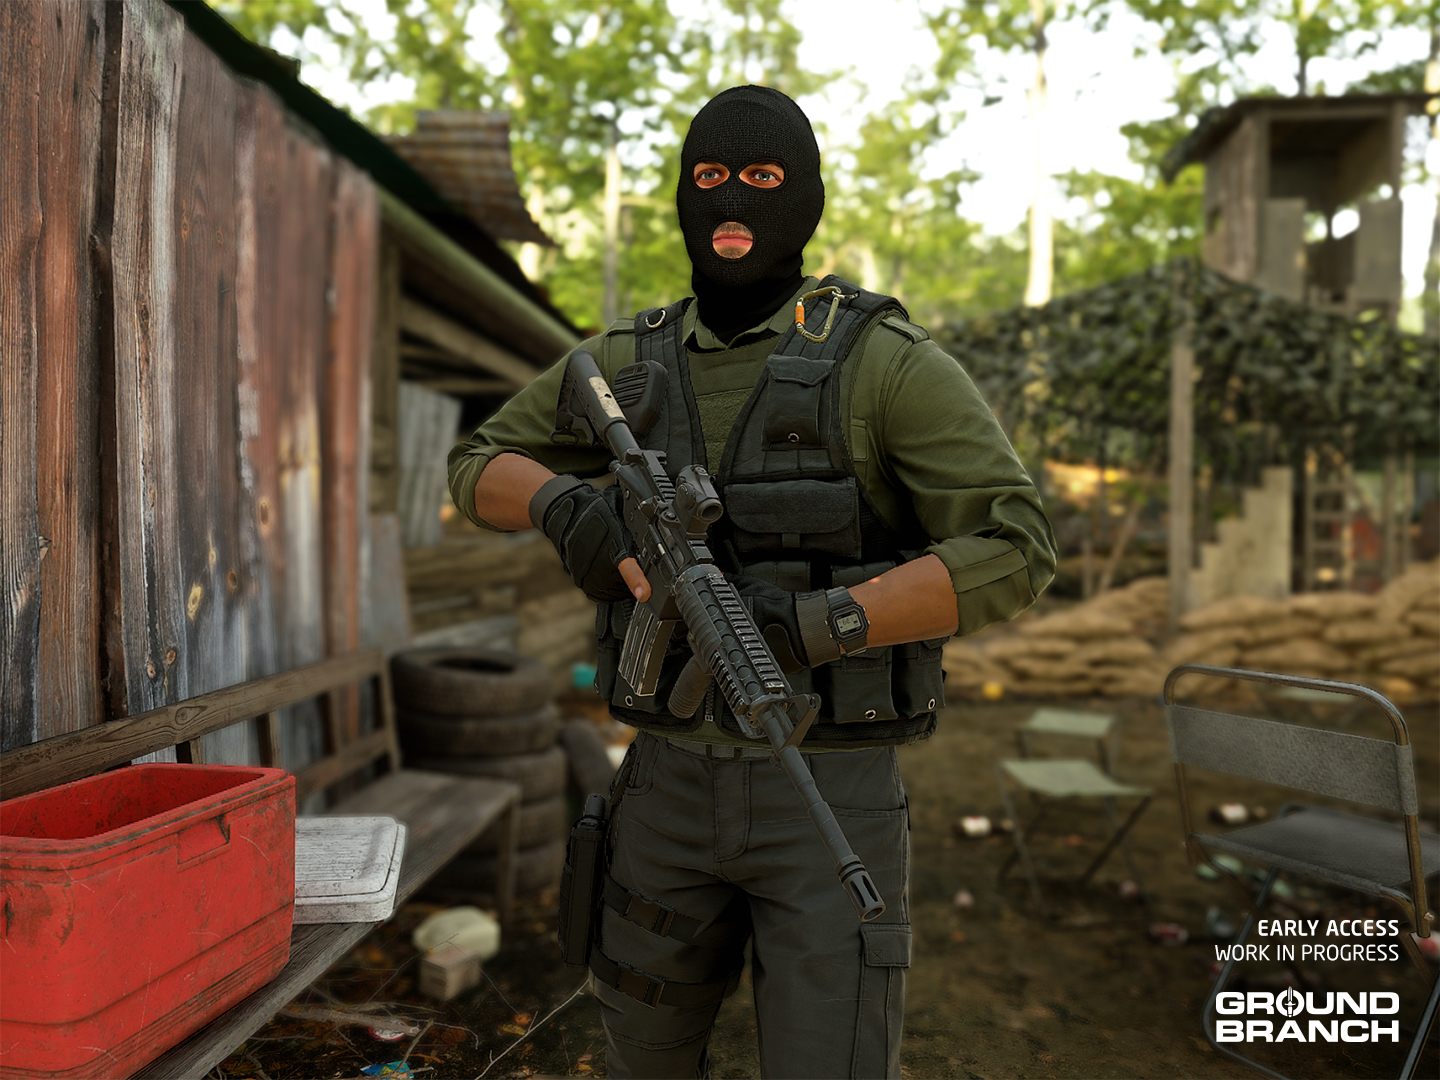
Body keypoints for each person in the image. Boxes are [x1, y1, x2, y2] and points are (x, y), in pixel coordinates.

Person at [448, 84, 1056, 1080]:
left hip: (826, 790)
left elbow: (1018, 545)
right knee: (642, 1053)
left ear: (805, 198)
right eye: (711, 178)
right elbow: (477, 466)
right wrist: (564, 507)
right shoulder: (624, 360)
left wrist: (822, 622)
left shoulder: (883, 365)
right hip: (663, 789)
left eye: (764, 178)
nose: (733, 203)